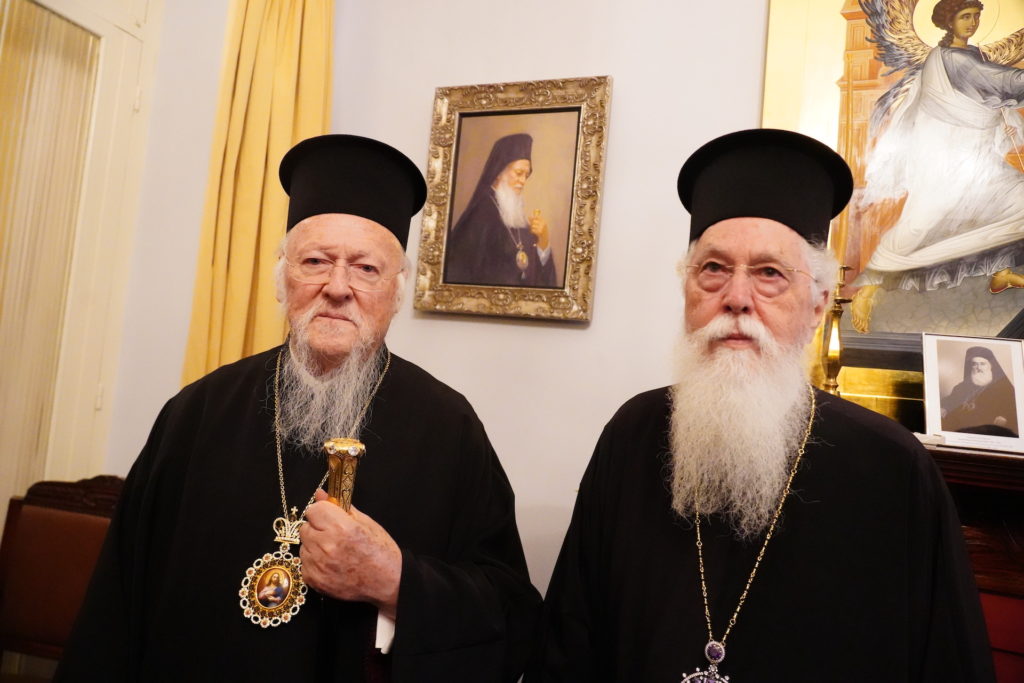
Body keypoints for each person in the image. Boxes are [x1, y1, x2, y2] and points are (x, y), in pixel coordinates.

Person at [56, 134, 541, 682]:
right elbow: (117, 606)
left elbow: (512, 617)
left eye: (365, 269)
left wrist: (398, 581)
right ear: (282, 278)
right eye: (315, 261)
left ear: (395, 292)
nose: (338, 287)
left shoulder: (449, 430)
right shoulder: (195, 414)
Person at [532, 129, 994, 681]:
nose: (736, 297)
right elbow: (570, 641)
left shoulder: (892, 466)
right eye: (713, 269)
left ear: (818, 303)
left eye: (770, 274)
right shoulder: (633, 433)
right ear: (687, 292)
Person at [851, 0, 1024, 332]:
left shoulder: (972, 57)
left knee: (1019, 200)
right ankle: (868, 288)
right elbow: (999, 83)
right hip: (946, 162)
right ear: (949, 22)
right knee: (916, 227)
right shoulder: (948, 59)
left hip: (979, 161)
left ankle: (1000, 271)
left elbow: (988, 92)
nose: (972, 23)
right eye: (964, 16)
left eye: (976, 16)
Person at [444, 133, 558, 287]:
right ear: (498, 173)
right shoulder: (479, 216)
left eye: (527, 175)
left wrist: (543, 242)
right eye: (518, 173)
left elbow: (538, 280)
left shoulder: (516, 215)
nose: (523, 181)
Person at [942, 345, 1019, 435]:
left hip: (986, 430)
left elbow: (1013, 407)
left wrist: (1005, 417)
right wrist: (945, 407)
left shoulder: (1004, 387)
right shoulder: (962, 387)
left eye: (982, 364)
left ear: (991, 366)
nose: (978, 368)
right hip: (960, 429)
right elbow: (951, 399)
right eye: (974, 364)